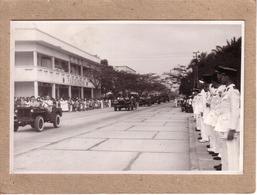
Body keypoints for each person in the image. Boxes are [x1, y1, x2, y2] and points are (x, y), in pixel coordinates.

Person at [214, 66, 240, 171]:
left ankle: (233, 176)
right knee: (225, 154)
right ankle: (225, 173)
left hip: (230, 127)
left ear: (227, 76)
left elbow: (235, 111)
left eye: (221, 75)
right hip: (224, 125)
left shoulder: (233, 91)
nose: (219, 77)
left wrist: (232, 129)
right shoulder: (226, 90)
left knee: (231, 155)